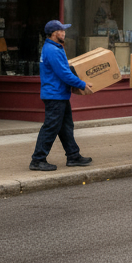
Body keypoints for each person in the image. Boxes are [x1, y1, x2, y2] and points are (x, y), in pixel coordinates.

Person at [31, 20, 93, 171]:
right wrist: (82, 84)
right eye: (62, 30)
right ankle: (38, 160)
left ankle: (73, 156)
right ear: (54, 33)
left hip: (59, 95)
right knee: (51, 127)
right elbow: (64, 74)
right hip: (55, 96)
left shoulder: (55, 48)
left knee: (66, 127)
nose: (64, 33)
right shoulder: (52, 50)